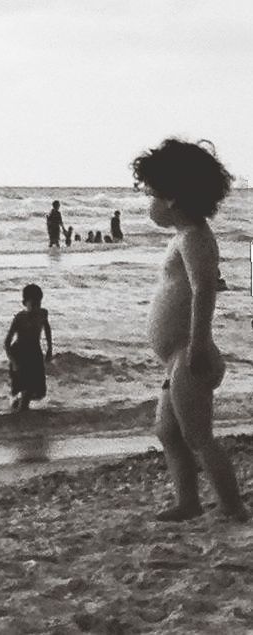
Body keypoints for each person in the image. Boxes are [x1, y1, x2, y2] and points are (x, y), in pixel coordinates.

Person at [133, 137, 248, 522]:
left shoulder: (195, 237)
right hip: (177, 359)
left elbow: (203, 289)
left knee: (198, 435)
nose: (148, 202)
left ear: (172, 199)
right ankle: (189, 502)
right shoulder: (183, 237)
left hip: (190, 353)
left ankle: (233, 507)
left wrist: (198, 343)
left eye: (151, 194)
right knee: (168, 432)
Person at [4, 284, 53, 412]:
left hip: (35, 353)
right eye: (33, 304)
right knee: (25, 388)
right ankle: (21, 414)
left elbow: (47, 328)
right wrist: (14, 362)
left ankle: (19, 405)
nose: (37, 307)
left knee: (40, 392)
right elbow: (7, 343)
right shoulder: (19, 318)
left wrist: (49, 348)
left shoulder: (43, 314)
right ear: (25, 303)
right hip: (20, 354)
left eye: (39, 303)